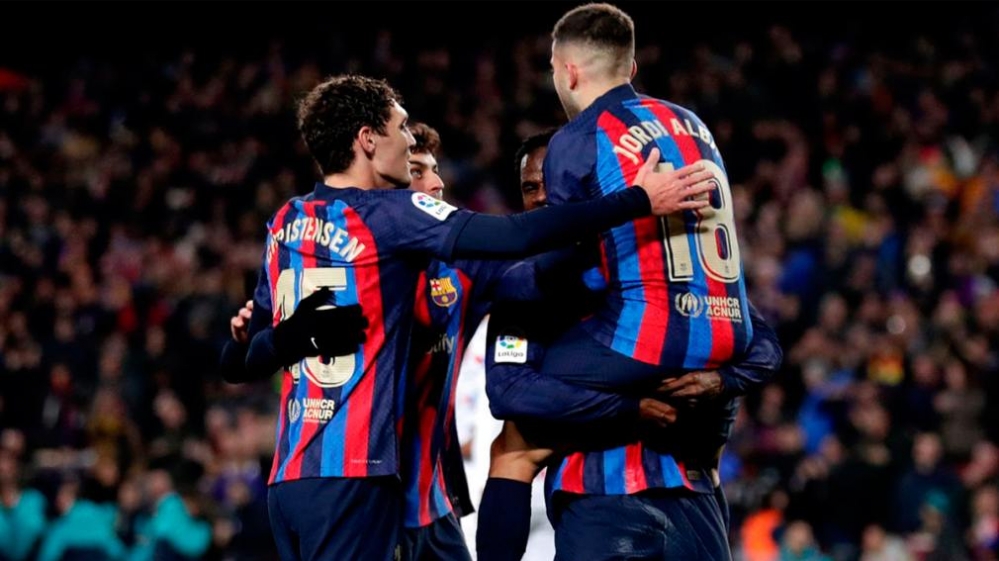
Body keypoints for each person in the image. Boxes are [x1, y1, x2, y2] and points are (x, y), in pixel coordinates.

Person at [239, 74, 714, 561]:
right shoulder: (391, 216)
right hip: (357, 480)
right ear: (368, 142)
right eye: (413, 157)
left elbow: (242, 359)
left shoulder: (290, 222)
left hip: (395, 497)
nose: (436, 183)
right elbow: (517, 238)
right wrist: (635, 202)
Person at [476, 4, 770, 559]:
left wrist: (718, 382)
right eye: (530, 189)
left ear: (566, 71)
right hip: (618, 486)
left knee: (518, 440)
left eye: (550, 187)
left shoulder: (570, 256)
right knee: (516, 438)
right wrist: (631, 409)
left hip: (675, 494)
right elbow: (509, 389)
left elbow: (766, 344)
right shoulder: (690, 130)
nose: (545, 198)